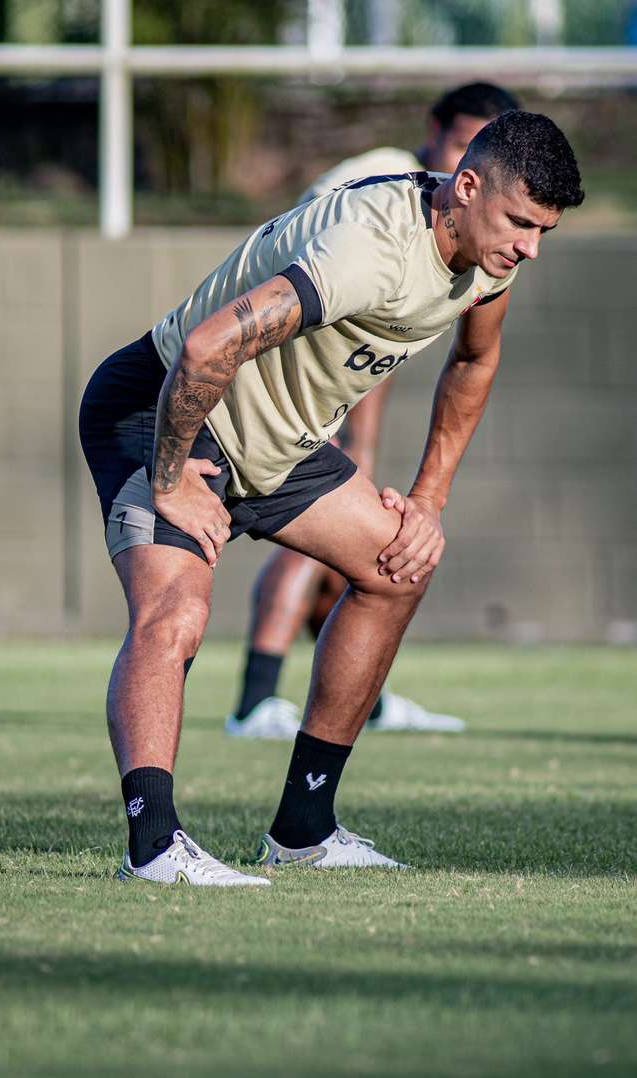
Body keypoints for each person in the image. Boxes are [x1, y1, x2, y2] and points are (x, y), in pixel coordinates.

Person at [79, 111, 583, 886]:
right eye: (520, 222)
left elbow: (474, 362)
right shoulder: (368, 248)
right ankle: (152, 848)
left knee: (398, 565)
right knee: (176, 610)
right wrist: (173, 478)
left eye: (542, 231)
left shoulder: (491, 258)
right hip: (165, 411)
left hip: (279, 443)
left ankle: (303, 831)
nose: (529, 247)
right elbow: (208, 345)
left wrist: (428, 501)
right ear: (467, 186)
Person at [227, 82, 521, 740]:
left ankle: (365, 698)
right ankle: (255, 700)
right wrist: (361, 443)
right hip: (275, 389)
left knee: (378, 556)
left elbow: (461, 353)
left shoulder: (473, 227)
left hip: (327, 381)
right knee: (320, 546)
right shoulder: (384, 182)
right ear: (435, 130)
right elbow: (346, 302)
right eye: (464, 140)